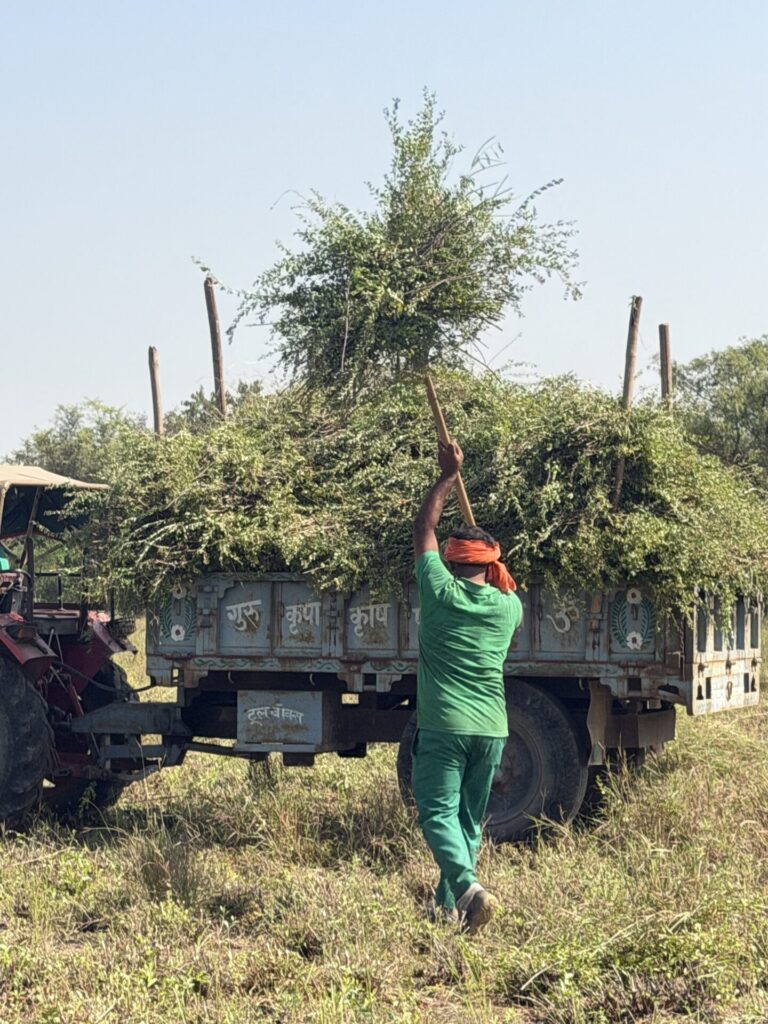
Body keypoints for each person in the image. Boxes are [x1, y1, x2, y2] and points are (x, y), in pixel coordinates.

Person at [412, 439, 523, 933]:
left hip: (444, 726)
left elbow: (424, 527)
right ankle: (449, 908)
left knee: (437, 813)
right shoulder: (510, 608)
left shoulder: (438, 592)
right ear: (491, 564)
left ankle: (468, 890)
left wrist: (446, 476)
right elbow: (505, 588)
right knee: (466, 821)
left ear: (452, 562)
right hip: (492, 730)